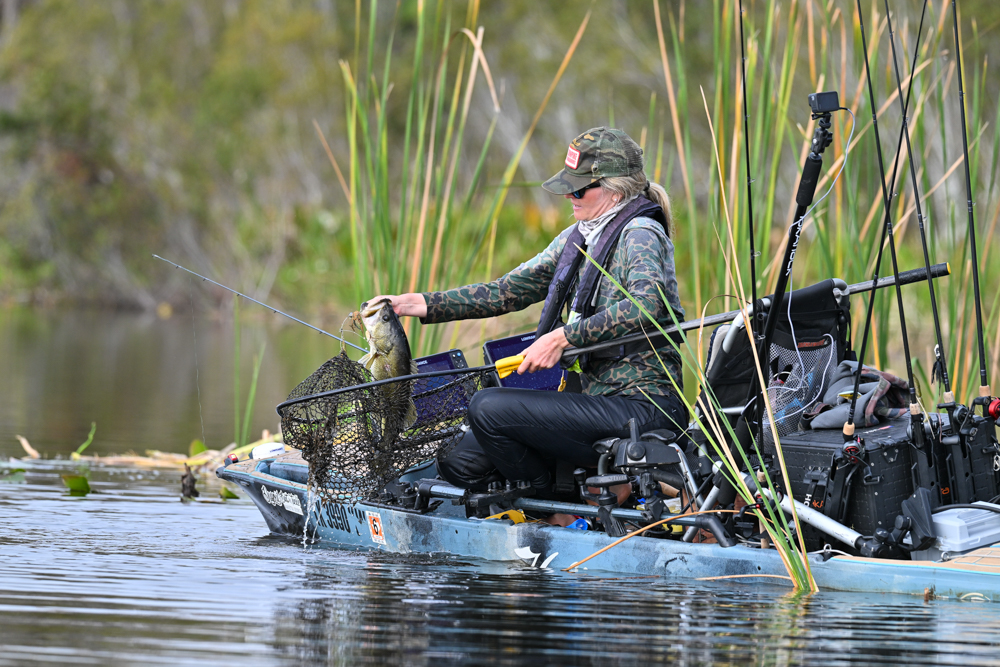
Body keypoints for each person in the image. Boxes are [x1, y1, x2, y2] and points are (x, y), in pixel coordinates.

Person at [369, 127, 686, 507]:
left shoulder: (641, 232)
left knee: (487, 407)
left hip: (643, 407)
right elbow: (506, 291)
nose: (569, 196)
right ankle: (568, 500)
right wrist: (419, 303)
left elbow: (646, 305)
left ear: (614, 191)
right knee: (459, 457)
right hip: (594, 402)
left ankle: (556, 512)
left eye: (579, 189)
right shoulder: (581, 236)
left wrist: (563, 338)